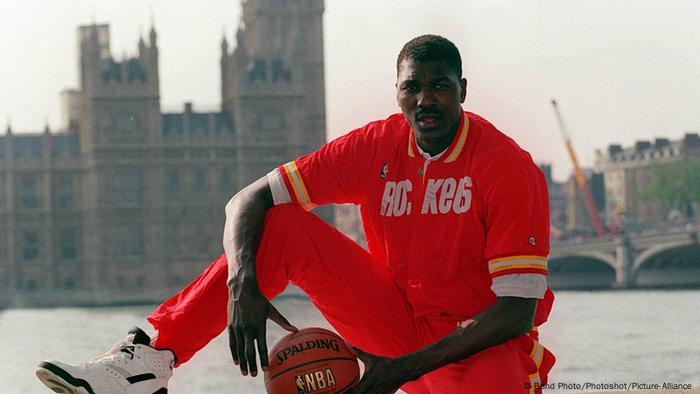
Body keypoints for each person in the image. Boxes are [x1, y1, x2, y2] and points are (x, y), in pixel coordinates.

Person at [36, 34, 555, 394]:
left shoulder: (505, 167)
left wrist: (396, 372)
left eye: (439, 86)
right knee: (277, 223)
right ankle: (149, 360)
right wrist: (243, 285)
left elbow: (515, 314)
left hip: (479, 346)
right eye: (412, 87)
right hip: (396, 322)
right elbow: (246, 200)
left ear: (463, 89)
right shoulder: (374, 145)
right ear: (397, 93)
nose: (425, 100)